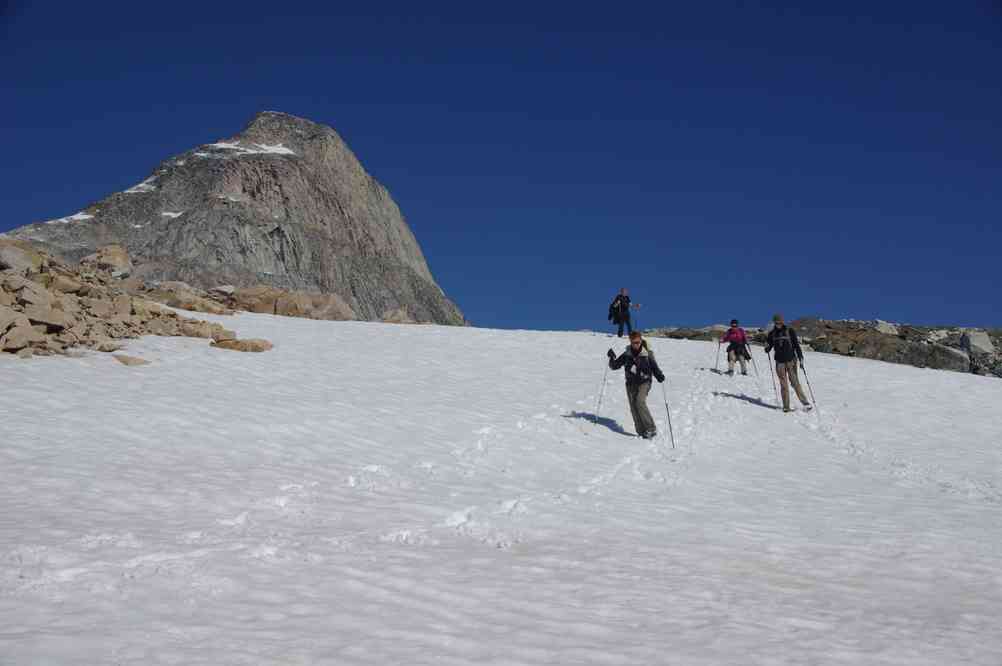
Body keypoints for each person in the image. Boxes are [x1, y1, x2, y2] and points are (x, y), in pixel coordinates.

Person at [607, 331, 665, 438]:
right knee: (633, 407)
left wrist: (659, 375)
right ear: (630, 342)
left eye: (638, 342)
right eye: (634, 342)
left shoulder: (647, 354)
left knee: (640, 402)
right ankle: (641, 431)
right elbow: (615, 366)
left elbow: (654, 367)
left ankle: (651, 429)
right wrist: (611, 358)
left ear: (641, 341)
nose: (636, 344)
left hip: (644, 381)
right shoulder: (627, 354)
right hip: (630, 383)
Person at [763, 313, 812, 412]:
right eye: (776, 322)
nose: (778, 324)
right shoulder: (772, 334)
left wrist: (801, 357)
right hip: (779, 362)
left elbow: (796, 346)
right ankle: (786, 406)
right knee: (783, 385)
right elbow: (768, 347)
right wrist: (767, 347)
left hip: (791, 361)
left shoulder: (790, 331)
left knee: (795, 383)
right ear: (774, 322)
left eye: (780, 322)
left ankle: (805, 403)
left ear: (782, 321)